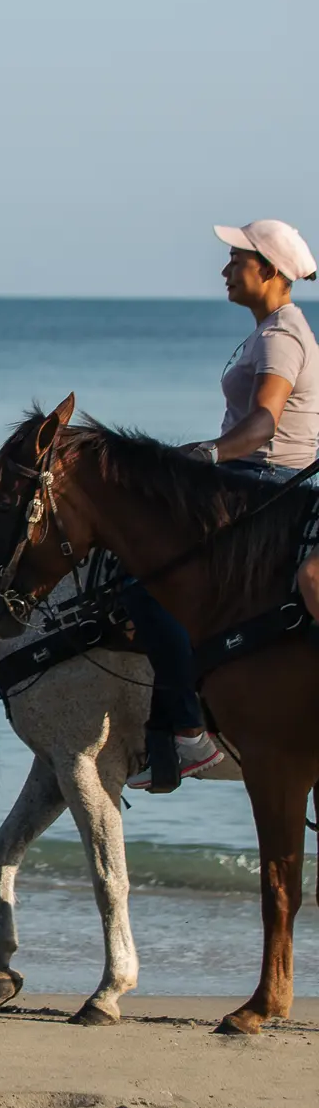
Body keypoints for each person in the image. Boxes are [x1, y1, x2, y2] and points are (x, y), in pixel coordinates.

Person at [125, 218, 319, 790]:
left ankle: (188, 733)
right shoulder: (268, 330)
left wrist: (206, 455)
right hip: (249, 472)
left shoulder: (283, 336)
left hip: (265, 480)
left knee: (146, 580)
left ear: (269, 271)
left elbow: (263, 423)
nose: (225, 270)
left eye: (236, 259)